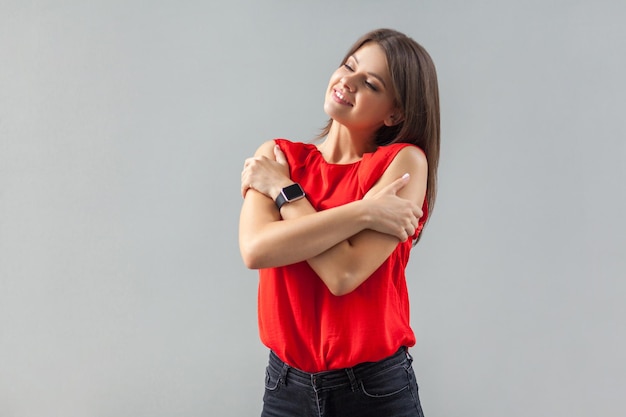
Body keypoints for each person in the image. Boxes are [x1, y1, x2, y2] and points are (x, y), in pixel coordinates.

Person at [239, 28, 440, 417]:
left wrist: (283, 192)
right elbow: (256, 249)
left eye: (370, 83)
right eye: (349, 66)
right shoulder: (277, 157)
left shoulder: (404, 163)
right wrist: (364, 211)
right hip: (285, 387)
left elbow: (344, 273)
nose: (347, 82)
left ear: (394, 113)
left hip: (373, 390)